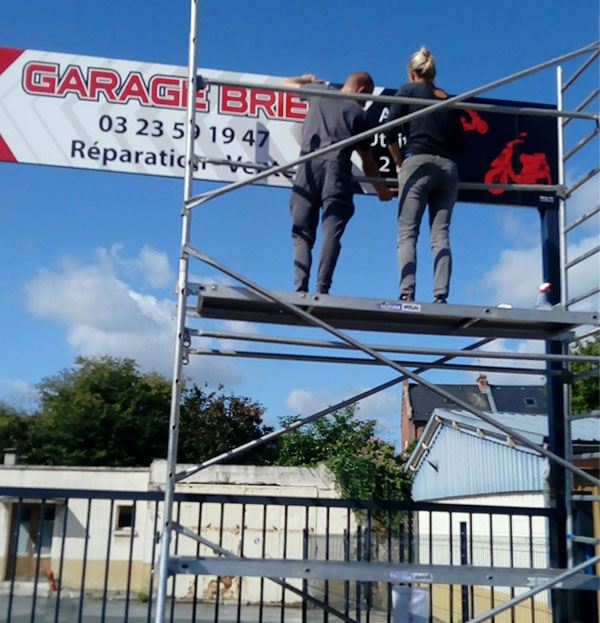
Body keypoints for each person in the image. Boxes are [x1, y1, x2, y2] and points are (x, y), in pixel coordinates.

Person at [283, 71, 393, 295]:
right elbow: (368, 162)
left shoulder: (320, 92)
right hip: (338, 170)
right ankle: (322, 288)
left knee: (303, 232)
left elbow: (286, 84)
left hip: (308, 164)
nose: (365, 102)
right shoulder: (360, 116)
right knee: (332, 230)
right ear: (361, 90)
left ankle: (300, 287)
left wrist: (308, 80)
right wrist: (381, 189)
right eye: (367, 97)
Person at [385, 48, 464, 303]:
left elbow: (388, 130)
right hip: (448, 168)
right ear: (433, 73)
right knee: (440, 234)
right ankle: (441, 295)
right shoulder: (449, 100)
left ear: (412, 73)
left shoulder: (408, 91)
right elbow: (461, 143)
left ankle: (407, 292)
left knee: (408, 233)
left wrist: (398, 162)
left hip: (417, 162)